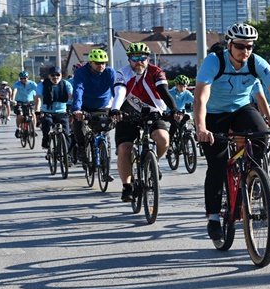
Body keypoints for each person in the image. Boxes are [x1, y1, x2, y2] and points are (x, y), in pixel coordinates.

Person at [194, 23, 270, 241]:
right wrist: (201, 127)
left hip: (241, 109)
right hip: (214, 113)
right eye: (240, 46)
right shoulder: (214, 61)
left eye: (249, 47)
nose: (245, 51)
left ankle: (252, 176)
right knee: (217, 164)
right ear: (229, 45)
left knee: (261, 133)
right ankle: (213, 217)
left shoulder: (256, 62)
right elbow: (201, 98)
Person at [111, 42, 179, 202]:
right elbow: (120, 92)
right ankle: (127, 186)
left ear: (148, 59)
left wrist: (174, 109)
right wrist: (115, 109)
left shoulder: (156, 72)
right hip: (127, 112)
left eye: (142, 58)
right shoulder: (122, 73)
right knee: (124, 148)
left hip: (153, 111)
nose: (139, 62)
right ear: (129, 59)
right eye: (135, 58)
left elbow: (163, 91)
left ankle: (153, 162)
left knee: (163, 138)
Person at [71, 48, 116, 163]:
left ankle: (106, 153)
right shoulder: (81, 72)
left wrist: (118, 108)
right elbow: (78, 90)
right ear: (90, 63)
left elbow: (115, 90)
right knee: (79, 123)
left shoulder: (110, 72)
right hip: (85, 105)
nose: (101, 65)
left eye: (103, 63)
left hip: (103, 105)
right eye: (97, 63)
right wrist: (77, 109)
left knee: (107, 126)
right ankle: (81, 147)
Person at [34, 66, 72, 151]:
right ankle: (46, 140)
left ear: (61, 76)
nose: (55, 77)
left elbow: (71, 96)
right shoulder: (42, 85)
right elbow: (39, 98)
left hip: (62, 112)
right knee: (47, 123)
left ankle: (67, 154)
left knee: (67, 133)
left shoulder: (66, 84)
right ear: (49, 76)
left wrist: (77, 106)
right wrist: (37, 110)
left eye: (57, 75)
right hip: (47, 111)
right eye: (53, 75)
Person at [167, 74, 194, 142]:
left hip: (181, 112)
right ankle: (169, 140)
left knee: (185, 121)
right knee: (175, 123)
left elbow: (195, 100)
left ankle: (182, 140)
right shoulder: (170, 92)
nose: (183, 88)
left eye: (185, 86)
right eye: (181, 86)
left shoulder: (187, 93)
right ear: (176, 85)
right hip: (171, 111)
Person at [12, 71, 37, 139]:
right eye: (21, 78)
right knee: (20, 115)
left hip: (29, 101)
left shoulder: (32, 83)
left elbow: (38, 91)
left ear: (27, 78)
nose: (23, 80)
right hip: (19, 102)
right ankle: (18, 129)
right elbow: (14, 91)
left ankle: (33, 130)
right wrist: (13, 100)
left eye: (25, 78)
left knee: (33, 113)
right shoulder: (17, 84)